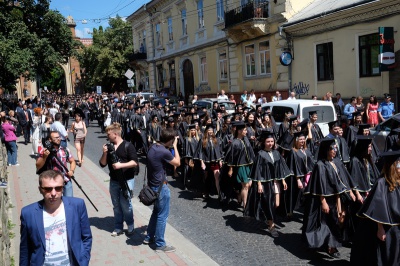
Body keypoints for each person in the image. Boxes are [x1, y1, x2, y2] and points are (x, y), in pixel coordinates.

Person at [19, 170, 92, 265]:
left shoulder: (77, 205)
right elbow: (25, 248)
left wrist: (84, 259)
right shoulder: (28, 213)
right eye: (48, 189)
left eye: (58, 188)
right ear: (40, 189)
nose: (53, 193)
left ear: (63, 188)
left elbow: (87, 237)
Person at [302, 138, 356, 258]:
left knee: (339, 221)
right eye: (333, 149)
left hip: (338, 198)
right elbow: (319, 186)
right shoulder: (320, 165)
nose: (335, 151)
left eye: (336, 148)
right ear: (327, 150)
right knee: (327, 223)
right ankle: (330, 246)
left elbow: (343, 179)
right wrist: (323, 202)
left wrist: (350, 191)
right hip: (326, 200)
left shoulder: (337, 162)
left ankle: (332, 243)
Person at [351, 150, 400, 265]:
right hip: (387, 229)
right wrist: (380, 228)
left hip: (397, 227)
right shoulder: (382, 183)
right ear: (393, 167)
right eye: (399, 164)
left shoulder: (398, 182)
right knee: (385, 254)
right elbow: (378, 208)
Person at [244, 130, 291, 238]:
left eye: (272, 141)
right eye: (268, 141)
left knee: (277, 204)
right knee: (269, 204)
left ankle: (268, 217)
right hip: (265, 183)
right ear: (264, 142)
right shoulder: (260, 155)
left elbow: (280, 168)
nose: (270, 143)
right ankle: (271, 226)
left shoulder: (276, 153)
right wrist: (259, 184)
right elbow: (258, 171)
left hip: (275, 182)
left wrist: (283, 180)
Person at [143, 128, 180, 252]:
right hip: (161, 187)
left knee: (156, 212)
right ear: (170, 140)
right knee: (162, 216)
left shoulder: (153, 147)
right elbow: (177, 163)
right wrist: (175, 147)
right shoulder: (164, 152)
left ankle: (149, 237)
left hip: (153, 185)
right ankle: (160, 244)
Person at [99, 123, 138, 236]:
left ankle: (130, 225)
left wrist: (121, 165)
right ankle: (118, 227)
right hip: (114, 181)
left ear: (115, 134)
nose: (107, 136)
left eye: (109, 134)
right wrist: (104, 153)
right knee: (116, 204)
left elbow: (134, 162)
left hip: (127, 180)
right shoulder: (109, 146)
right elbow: (102, 164)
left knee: (126, 204)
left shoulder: (128, 146)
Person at [36, 131, 76, 197]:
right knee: (54, 203)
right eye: (56, 137)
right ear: (50, 139)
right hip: (52, 182)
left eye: (59, 137)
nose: (59, 139)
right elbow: (38, 165)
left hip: (66, 180)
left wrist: (72, 170)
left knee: (69, 202)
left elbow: (72, 161)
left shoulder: (65, 150)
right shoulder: (44, 151)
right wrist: (44, 157)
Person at [225, 121, 255, 208]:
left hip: (248, 165)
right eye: (245, 130)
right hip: (240, 166)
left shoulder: (245, 139)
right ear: (239, 131)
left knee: (248, 185)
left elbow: (250, 152)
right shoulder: (234, 142)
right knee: (245, 185)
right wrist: (230, 168)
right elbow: (231, 157)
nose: (246, 132)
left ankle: (239, 195)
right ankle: (245, 205)